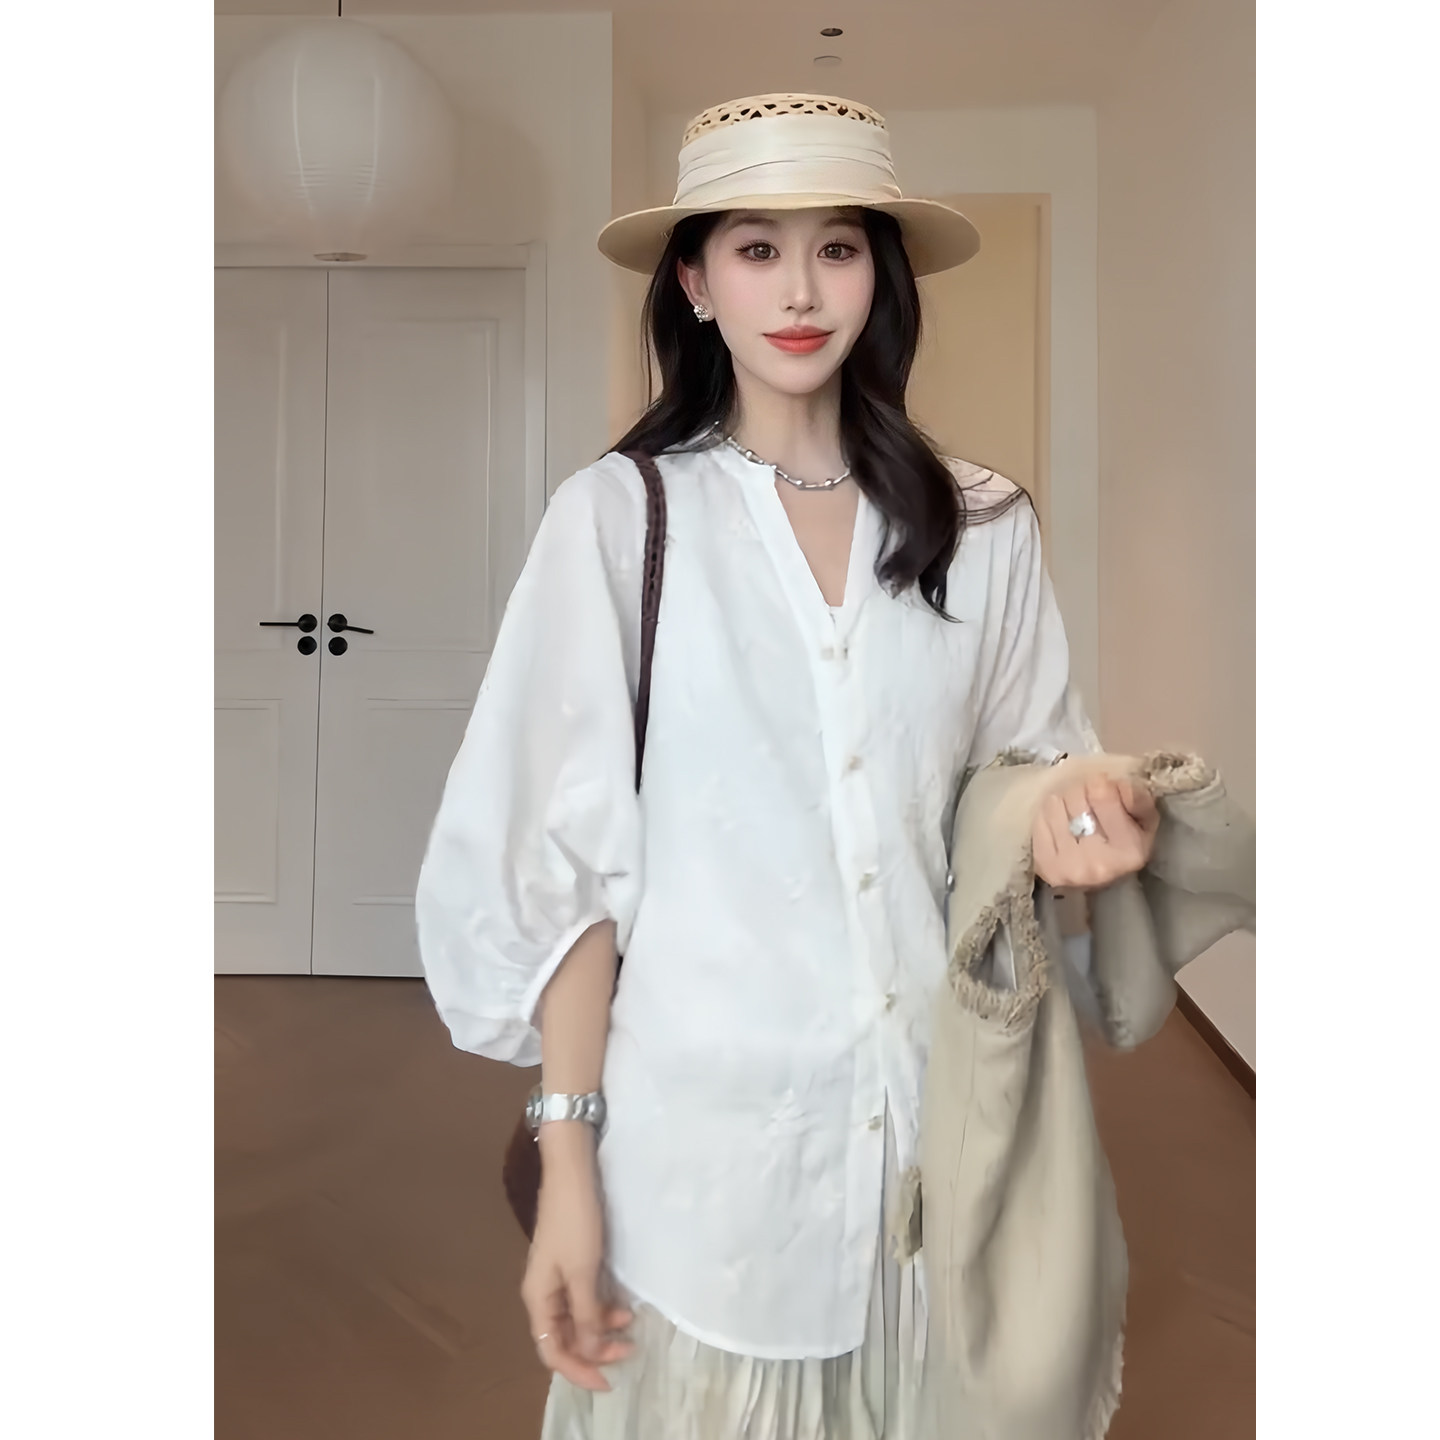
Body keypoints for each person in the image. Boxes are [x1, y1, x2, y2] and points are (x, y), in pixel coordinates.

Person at [415, 93, 1159, 1440]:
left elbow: (1024, 778)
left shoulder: (984, 526)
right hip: (706, 1167)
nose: (802, 291)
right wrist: (569, 1157)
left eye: (838, 248)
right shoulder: (619, 520)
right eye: (757, 249)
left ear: (882, 277)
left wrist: (1071, 815)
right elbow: (569, 867)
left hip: (937, 1141)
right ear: (696, 283)